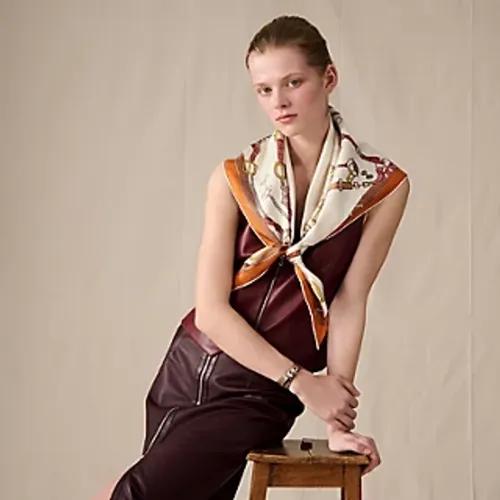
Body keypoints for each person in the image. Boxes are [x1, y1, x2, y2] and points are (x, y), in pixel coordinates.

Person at [97, 14, 410, 500]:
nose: (279, 101)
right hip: (194, 369)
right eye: (264, 89)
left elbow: (349, 300)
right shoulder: (234, 178)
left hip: (263, 394)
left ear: (329, 77)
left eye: (293, 82)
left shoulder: (380, 186)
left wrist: (337, 420)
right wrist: (304, 383)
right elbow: (210, 312)